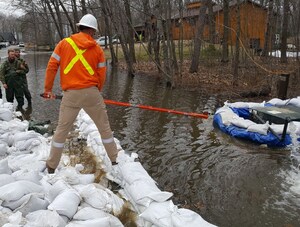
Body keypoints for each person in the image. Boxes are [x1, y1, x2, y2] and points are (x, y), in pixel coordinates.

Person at [43, 14, 119, 173]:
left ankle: (51, 165)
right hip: (92, 93)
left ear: (79, 27)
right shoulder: (97, 48)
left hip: (70, 94)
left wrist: (48, 89)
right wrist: (96, 91)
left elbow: (52, 66)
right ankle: (114, 159)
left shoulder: (64, 44)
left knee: (61, 130)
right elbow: (102, 74)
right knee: (104, 128)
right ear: (92, 31)